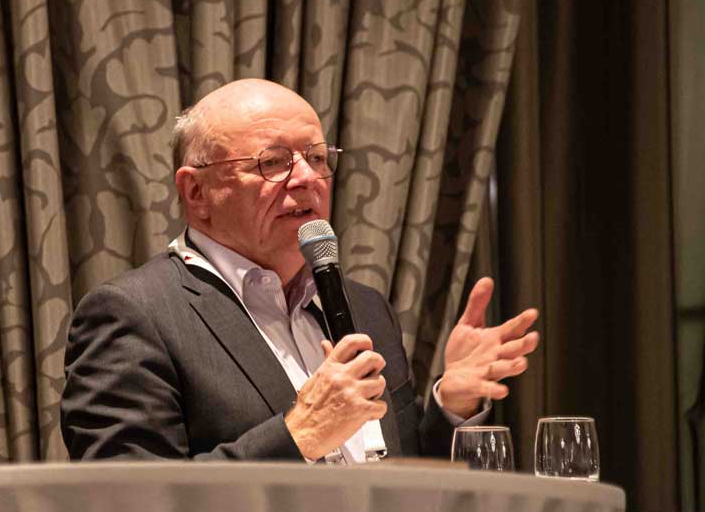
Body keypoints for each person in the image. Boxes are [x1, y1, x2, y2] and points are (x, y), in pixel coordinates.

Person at [61, 78, 539, 462]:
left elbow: (399, 479)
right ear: (197, 193)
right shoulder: (133, 313)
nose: (308, 178)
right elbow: (130, 507)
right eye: (273, 162)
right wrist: (300, 434)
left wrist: (450, 405)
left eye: (316, 157)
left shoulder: (365, 308)